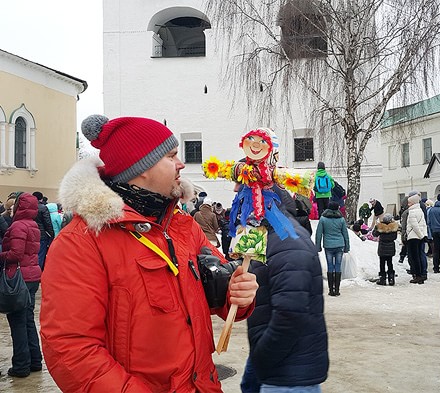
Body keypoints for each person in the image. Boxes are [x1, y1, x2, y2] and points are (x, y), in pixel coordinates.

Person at [40, 115, 258, 392]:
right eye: (171, 155)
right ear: (141, 167)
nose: (181, 164)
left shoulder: (183, 226)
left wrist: (236, 293)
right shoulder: (81, 242)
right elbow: (71, 350)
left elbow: (219, 291)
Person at [239, 185, 329, 393]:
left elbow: (290, 313)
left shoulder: (287, 241)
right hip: (277, 368)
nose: (237, 204)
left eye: (242, 195)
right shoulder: (270, 236)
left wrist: (262, 355)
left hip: (288, 377)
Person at [0, 192, 43, 377]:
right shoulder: (32, 224)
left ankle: (21, 366)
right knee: (27, 321)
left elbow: (15, 255)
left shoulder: (18, 226)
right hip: (32, 277)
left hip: (20, 279)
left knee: (17, 322)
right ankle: (35, 361)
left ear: (19, 206)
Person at [315, 200, 350, 296]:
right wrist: (347, 246)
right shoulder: (341, 219)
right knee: (338, 266)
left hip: (328, 246)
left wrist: (317, 247)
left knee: (330, 266)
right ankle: (337, 289)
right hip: (340, 245)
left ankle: (331, 290)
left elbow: (319, 234)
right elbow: (345, 234)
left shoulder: (323, 219)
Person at [406, 194, 427, 284]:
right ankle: (421, 274)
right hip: (419, 236)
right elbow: (423, 224)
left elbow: (415, 226)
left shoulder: (412, 212)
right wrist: (423, 235)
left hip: (413, 237)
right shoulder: (420, 210)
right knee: (419, 255)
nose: (408, 204)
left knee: (415, 257)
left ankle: (417, 276)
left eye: (409, 202)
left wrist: (420, 235)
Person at [372, 213, 398, 285]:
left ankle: (382, 279)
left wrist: (376, 227)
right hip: (391, 248)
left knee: (382, 263)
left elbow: (374, 234)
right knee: (390, 263)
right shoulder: (394, 227)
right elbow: (395, 237)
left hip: (382, 247)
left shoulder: (380, 227)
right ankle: (391, 278)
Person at [31, 191, 54, 270]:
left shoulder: (28, 206)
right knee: (40, 255)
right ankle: (37, 273)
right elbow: (47, 223)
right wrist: (52, 234)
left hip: (29, 233)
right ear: (41, 199)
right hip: (41, 235)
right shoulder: (43, 207)